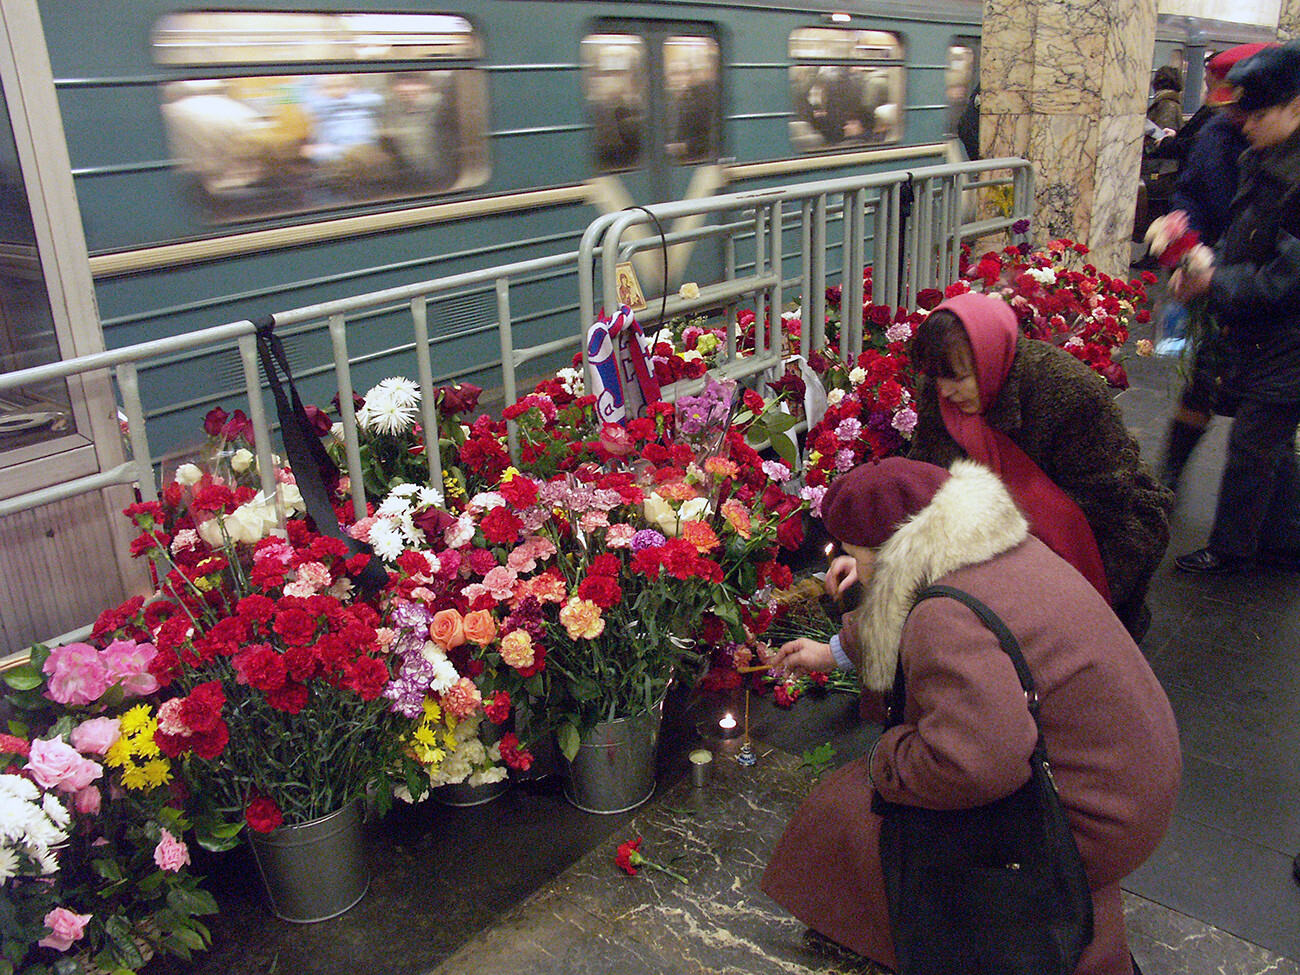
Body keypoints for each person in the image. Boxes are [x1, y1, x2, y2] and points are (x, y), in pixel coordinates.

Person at [762, 457, 1181, 975]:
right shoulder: (1001, 549)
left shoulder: (944, 616)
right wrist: (837, 650)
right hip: (1135, 781)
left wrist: (889, 757)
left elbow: (974, 765)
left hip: (1089, 817)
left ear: (889, 551)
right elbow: (902, 611)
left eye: (854, 555)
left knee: (848, 810)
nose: (851, 569)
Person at [876, 291, 1172, 639]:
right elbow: (925, 472)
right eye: (936, 378)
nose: (945, 392)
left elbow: (1105, 495)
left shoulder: (1068, 391)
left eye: (957, 377)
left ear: (989, 358)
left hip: (1097, 527)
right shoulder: (941, 391)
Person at [1172, 43, 1300, 573]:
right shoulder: (1266, 158)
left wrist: (1214, 281)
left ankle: (1231, 550)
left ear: (1297, 107)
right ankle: (1287, 539)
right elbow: (1246, 239)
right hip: (1259, 331)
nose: (1244, 124)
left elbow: (1286, 278)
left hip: (1288, 337)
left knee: (1255, 444)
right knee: (1268, 443)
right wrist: (1206, 263)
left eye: (1259, 114)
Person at [1158, 43, 1280, 491]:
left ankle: (1257, 531)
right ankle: (1170, 472)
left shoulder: (1282, 153)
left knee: (1266, 417)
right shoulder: (1216, 135)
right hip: (1214, 279)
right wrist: (1184, 241)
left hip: (1260, 288)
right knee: (1199, 382)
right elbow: (1191, 193)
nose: (1238, 118)